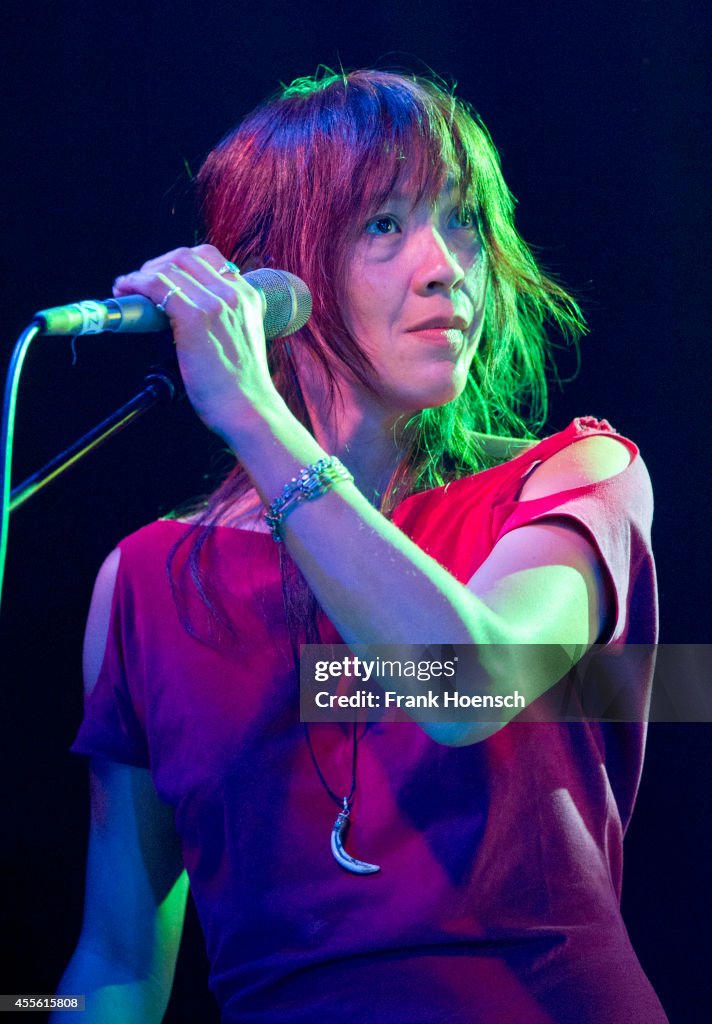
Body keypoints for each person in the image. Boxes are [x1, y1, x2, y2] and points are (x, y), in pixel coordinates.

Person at [54, 69, 668, 1023]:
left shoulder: (571, 479)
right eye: (384, 224)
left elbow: (467, 687)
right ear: (270, 280)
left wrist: (253, 415)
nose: (446, 265)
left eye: (462, 219)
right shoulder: (144, 582)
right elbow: (118, 957)